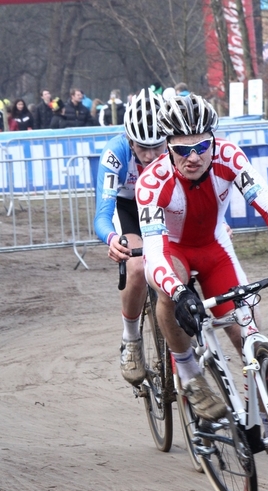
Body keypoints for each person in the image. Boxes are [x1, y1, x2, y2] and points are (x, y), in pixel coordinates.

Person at [134, 93, 268, 421]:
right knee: (168, 288)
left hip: (215, 248)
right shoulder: (152, 182)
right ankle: (190, 372)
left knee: (250, 337)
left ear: (213, 141)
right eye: (182, 150)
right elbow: (154, 250)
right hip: (173, 250)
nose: (193, 158)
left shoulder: (229, 156)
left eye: (202, 147)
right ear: (167, 147)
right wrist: (178, 292)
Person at [94, 89, 167, 385]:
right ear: (129, 139)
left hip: (160, 204)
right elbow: (102, 214)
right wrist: (112, 238)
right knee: (137, 267)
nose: (150, 156)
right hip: (127, 208)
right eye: (142, 147)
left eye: (157, 147)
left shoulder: (174, 147)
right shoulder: (116, 153)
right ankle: (132, 339)